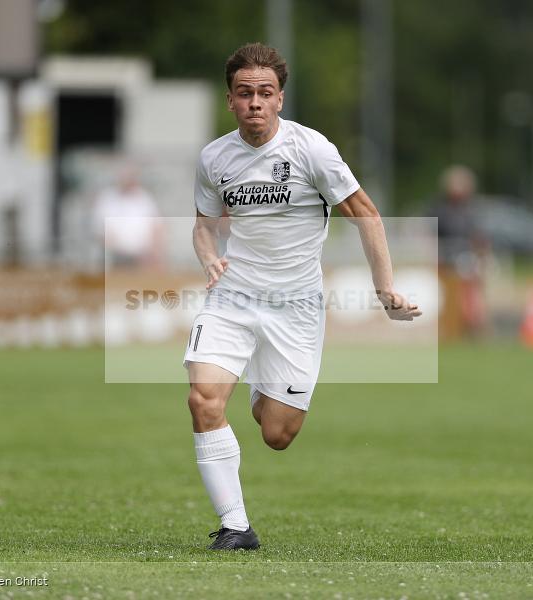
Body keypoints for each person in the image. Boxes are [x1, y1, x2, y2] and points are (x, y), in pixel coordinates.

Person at [184, 43, 420, 550]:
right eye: (244, 93)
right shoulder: (214, 158)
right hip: (233, 296)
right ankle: (235, 527)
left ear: (280, 99)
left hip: (295, 307)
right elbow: (203, 227)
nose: (255, 103)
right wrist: (209, 258)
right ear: (230, 100)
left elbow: (366, 213)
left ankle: (263, 386)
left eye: (264, 93)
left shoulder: (312, 150)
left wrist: (385, 290)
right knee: (203, 400)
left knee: (276, 433)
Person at [426, 165, 489, 339]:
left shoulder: (472, 211)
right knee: (447, 298)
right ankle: (449, 329)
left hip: (468, 262)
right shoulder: (439, 209)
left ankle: (473, 329)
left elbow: (479, 238)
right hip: (445, 263)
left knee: (471, 299)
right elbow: (431, 236)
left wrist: (481, 259)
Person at [92, 164, 163, 269]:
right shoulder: (107, 199)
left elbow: (157, 228)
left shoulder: (145, 198)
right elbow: (99, 229)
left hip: (141, 258)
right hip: (115, 258)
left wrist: (154, 252)